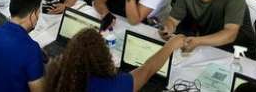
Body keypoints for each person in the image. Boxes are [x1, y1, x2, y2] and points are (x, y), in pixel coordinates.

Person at [44, 27, 185, 92]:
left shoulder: (56, 71)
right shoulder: (112, 85)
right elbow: (147, 69)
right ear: (103, 55)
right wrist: (170, 46)